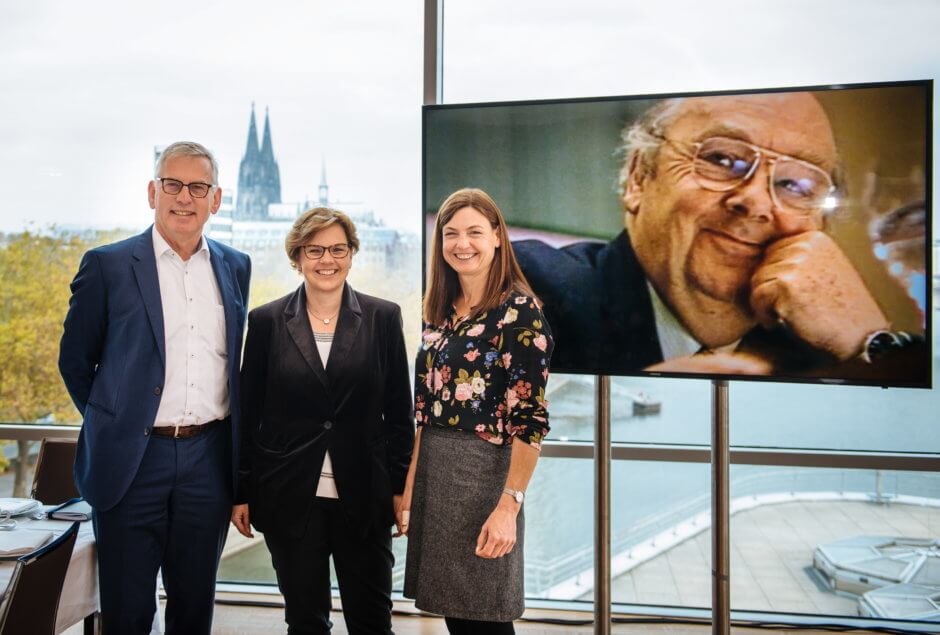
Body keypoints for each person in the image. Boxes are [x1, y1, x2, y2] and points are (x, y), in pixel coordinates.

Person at [514, 91, 926, 380]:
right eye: (722, 159)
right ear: (639, 177)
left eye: (795, 185)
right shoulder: (517, 288)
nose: (757, 202)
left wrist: (871, 344)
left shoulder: (820, 352)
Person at [58, 141, 251, 634]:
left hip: (208, 462)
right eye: (172, 184)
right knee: (126, 613)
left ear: (216, 199)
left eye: (197, 187)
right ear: (152, 191)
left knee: (193, 610)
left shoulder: (235, 267)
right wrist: (121, 422)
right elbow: (76, 363)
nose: (184, 197)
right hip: (131, 465)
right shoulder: (108, 266)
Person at [231, 207, 413, 635]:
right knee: (306, 622)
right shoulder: (266, 322)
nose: (326, 260)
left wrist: (403, 491)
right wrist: (240, 490)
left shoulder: (383, 317)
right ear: (297, 256)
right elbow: (247, 413)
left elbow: (399, 416)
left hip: (365, 497)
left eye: (337, 249)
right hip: (290, 496)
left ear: (352, 255)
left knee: (372, 622)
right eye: (315, 250)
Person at [401, 188, 553, 634]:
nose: (461, 244)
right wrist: (410, 485)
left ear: (498, 238)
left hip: (485, 477)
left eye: (474, 232)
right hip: (438, 472)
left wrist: (509, 506)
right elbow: (424, 412)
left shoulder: (519, 311)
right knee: (458, 616)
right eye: (450, 234)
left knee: (484, 617)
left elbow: (530, 422)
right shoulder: (439, 311)